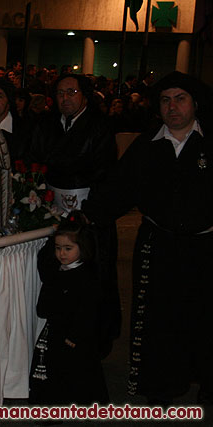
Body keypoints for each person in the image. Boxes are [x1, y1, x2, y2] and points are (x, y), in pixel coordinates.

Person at [82, 71, 213, 405]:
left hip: (206, 247)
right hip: (160, 245)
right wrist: (84, 216)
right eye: (166, 100)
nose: (173, 107)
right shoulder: (147, 145)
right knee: (161, 318)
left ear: (194, 103)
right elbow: (119, 188)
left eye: (180, 99)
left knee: (205, 316)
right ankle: (164, 383)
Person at [29, 74, 120, 358]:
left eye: (72, 92)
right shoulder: (46, 124)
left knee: (94, 276)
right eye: (59, 93)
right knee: (56, 269)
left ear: (84, 95)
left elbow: (106, 173)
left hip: (89, 214)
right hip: (54, 209)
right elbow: (37, 162)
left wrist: (89, 212)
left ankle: (93, 339)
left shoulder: (100, 126)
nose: (65, 98)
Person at [29, 213, 109, 406]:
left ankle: (84, 404)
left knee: (78, 369)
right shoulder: (57, 270)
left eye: (68, 248)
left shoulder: (86, 276)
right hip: (55, 330)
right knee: (52, 369)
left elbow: (88, 310)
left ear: (83, 248)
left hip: (76, 334)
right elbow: (45, 263)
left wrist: (75, 336)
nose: (62, 254)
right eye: (58, 248)